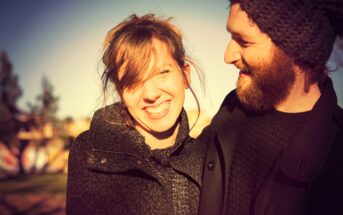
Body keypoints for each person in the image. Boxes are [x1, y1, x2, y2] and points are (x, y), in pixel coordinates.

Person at [198, 0, 343, 214]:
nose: (228, 56)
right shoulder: (231, 109)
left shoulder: (335, 155)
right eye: (231, 37)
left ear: (295, 49)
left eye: (244, 42)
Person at [66, 14, 205, 215]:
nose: (151, 94)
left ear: (185, 75)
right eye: (133, 81)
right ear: (121, 92)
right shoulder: (89, 153)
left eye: (162, 73)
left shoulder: (210, 157)